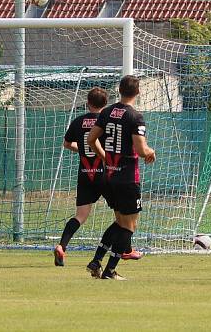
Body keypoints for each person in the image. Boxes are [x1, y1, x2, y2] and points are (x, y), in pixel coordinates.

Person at [85, 75, 156, 280]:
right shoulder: (135, 117)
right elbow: (141, 150)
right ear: (138, 92)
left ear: (119, 90)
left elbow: (91, 139)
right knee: (129, 225)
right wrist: (151, 152)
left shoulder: (107, 112)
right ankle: (109, 270)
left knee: (119, 221)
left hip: (110, 176)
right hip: (127, 177)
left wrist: (105, 158)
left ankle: (96, 260)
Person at [53, 87, 109, 267]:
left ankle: (62, 246)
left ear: (87, 103)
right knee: (122, 214)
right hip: (105, 173)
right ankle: (125, 248)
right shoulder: (107, 122)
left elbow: (67, 143)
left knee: (81, 215)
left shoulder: (78, 121)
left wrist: (83, 150)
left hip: (85, 173)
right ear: (105, 104)